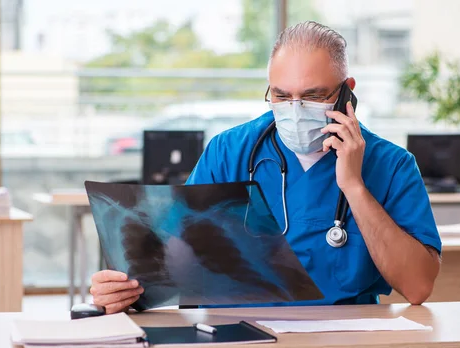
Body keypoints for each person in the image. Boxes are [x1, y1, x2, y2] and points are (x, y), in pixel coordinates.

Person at [90, 21, 442, 314]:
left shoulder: (391, 164)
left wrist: (354, 186)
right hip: (238, 336)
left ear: (347, 92)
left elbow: (417, 287)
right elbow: (167, 259)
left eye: (315, 95)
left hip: (346, 340)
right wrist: (123, 291)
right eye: (281, 95)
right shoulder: (229, 151)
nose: (295, 108)